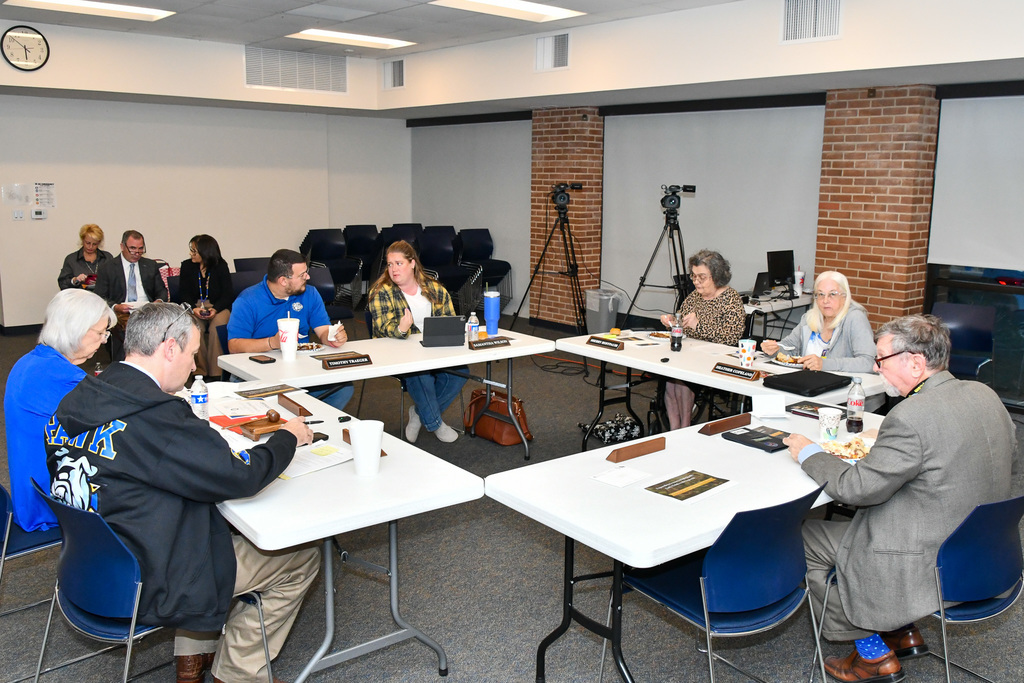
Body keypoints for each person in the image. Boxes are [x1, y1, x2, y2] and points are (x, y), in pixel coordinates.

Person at [45, 303, 320, 683]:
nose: (194, 367)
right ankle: (237, 673)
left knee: (208, 518)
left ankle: (192, 655)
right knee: (299, 557)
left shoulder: (77, 398)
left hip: (89, 565)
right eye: (192, 355)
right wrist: (288, 437)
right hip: (149, 576)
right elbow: (239, 477)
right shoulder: (158, 417)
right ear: (169, 349)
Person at [784, 314, 1015, 683]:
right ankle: (901, 629)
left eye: (881, 359)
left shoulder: (911, 416)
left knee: (805, 538)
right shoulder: (984, 394)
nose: (877, 368)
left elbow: (855, 489)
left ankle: (871, 653)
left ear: (916, 362)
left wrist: (810, 453)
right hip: (983, 550)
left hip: (928, 559)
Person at [4, 289, 115, 532]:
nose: (104, 340)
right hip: (51, 499)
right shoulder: (60, 377)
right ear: (75, 329)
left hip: (30, 490)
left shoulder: (32, 361)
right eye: (100, 333)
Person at [367, 240, 468, 443]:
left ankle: (420, 413)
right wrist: (401, 329)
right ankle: (435, 423)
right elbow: (381, 327)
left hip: (433, 350)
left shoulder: (434, 289)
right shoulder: (381, 291)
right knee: (419, 373)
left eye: (399, 263)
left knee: (460, 373)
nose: (393, 269)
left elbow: (449, 321)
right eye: (389, 264)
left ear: (412, 263)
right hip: (397, 353)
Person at [227, 249, 354, 410]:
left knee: (343, 389)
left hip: (300, 371)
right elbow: (235, 345)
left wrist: (332, 336)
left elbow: (323, 330)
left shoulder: (310, 293)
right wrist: (272, 343)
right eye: (302, 275)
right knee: (277, 400)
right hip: (257, 375)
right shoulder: (247, 300)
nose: (307, 277)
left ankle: (307, 425)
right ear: (283, 281)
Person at [657, 249, 745, 429]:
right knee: (670, 381)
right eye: (694, 276)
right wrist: (672, 322)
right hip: (692, 353)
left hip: (717, 358)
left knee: (681, 381)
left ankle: (685, 427)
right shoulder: (694, 297)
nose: (696, 281)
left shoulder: (731, 299)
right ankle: (674, 430)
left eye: (702, 277)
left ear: (717, 275)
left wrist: (699, 325)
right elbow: (681, 322)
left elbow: (731, 336)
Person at [762, 270, 876, 372]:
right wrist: (775, 350)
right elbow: (789, 347)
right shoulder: (809, 318)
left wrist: (824, 364)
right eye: (821, 294)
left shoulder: (855, 318)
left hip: (843, 390)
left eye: (832, 294)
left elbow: (868, 363)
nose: (825, 300)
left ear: (845, 296)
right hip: (808, 384)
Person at [94, 229, 170, 361]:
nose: (137, 253)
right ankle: (125, 365)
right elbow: (100, 297)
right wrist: (116, 307)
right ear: (122, 247)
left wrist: (158, 301)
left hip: (148, 309)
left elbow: (162, 291)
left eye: (141, 249)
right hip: (122, 312)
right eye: (133, 249)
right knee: (128, 328)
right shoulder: (108, 268)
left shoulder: (150, 265)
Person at [179, 234, 233, 380]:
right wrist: (193, 309)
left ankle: (217, 372)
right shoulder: (186, 266)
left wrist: (215, 309)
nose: (191, 254)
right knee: (196, 329)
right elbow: (183, 294)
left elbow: (228, 294)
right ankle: (199, 371)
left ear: (205, 252)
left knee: (218, 327)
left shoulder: (221, 265)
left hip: (218, 306)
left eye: (194, 251)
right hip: (195, 306)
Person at [57, 223, 113, 290]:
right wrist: (75, 280)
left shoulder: (107, 258)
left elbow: (116, 280)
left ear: (99, 243)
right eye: (88, 243)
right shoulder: (71, 259)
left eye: (94, 244)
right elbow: (62, 284)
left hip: (102, 298)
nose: (90, 247)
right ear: (82, 240)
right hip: (79, 298)